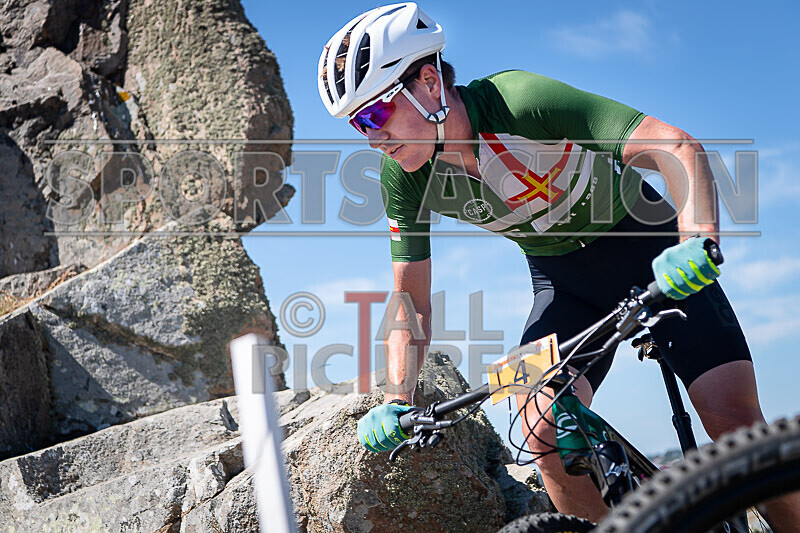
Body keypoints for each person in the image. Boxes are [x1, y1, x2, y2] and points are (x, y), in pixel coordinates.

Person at [318, 2, 800, 528]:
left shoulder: (520, 101)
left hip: (652, 252)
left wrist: (698, 242)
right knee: (536, 424)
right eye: (357, 125)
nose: (372, 137)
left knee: (733, 425)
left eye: (375, 114)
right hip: (564, 286)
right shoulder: (403, 176)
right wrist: (397, 398)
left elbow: (675, 146)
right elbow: (410, 300)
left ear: (429, 82)